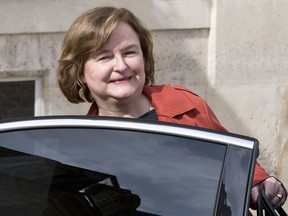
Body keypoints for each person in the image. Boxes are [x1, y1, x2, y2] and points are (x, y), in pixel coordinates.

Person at [56, 6, 287, 212]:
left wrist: (260, 183)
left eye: (129, 52)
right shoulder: (76, 149)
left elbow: (234, 167)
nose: (121, 65)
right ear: (80, 73)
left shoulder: (184, 105)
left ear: (144, 58)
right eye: (104, 57)